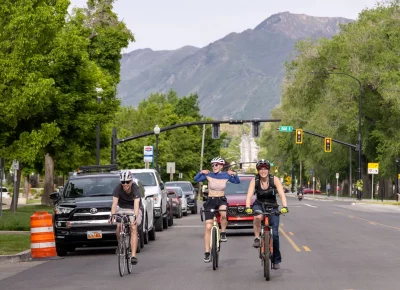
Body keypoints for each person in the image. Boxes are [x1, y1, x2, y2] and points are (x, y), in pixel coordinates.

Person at [194, 156, 240, 263]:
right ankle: (207, 253)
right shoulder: (209, 175)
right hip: (211, 201)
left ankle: (223, 232)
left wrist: (234, 174)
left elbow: (237, 182)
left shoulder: (225, 175)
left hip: (221, 200)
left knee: (223, 213)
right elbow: (196, 179)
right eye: (213, 165)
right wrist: (201, 172)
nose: (214, 167)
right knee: (208, 227)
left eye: (217, 165)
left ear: (221, 166)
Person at [245, 159, 288, 270]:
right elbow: (249, 195)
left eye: (265, 169)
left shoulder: (275, 180)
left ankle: (276, 260)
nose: (263, 171)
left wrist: (284, 207)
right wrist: (248, 207)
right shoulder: (255, 180)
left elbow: (282, 195)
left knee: (275, 235)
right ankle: (256, 238)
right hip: (259, 204)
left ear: (268, 170)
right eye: (261, 169)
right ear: (258, 170)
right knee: (258, 217)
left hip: (272, 205)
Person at [109, 170, 142, 265]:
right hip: (122, 209)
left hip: (133, 209)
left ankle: (133, 256)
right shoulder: (118, 188)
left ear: (131, 181)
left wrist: (135, 216)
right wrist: (112, 215)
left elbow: (136, 205)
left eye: (127, 182)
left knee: (133, 226)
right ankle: (121, 244)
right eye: (123, 182)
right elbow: (114, 204)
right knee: (119, 226)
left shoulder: (135, 188)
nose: (125, 184)